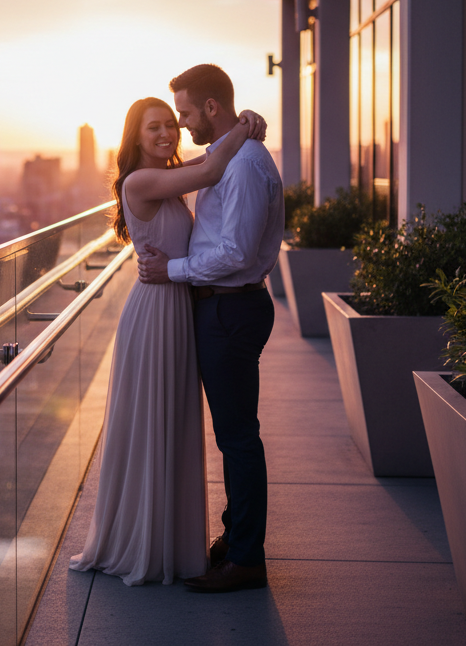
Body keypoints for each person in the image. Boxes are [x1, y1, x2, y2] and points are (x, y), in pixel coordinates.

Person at [70, 95, 266, 586]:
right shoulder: (141, 181)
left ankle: (170, 538)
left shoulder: (170, 176)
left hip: (178, 305)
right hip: (155, 311)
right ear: (135, 137)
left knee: (173, 423)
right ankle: (142, 540)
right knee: (153, 421)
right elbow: (210, 169)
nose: (166, 133)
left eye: (170, 125)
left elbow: (205, 162)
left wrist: (242, 125)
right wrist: (244, 126)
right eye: (154, 127)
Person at [136, 64, 284, 593]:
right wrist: (246, 124)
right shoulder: (233, 154)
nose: (181, 124)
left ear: (211, 107)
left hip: (230, 310)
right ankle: (235, 538)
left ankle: (245, 559)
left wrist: (171, 270)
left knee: (238, 438)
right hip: (224, 308)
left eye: (184, 113)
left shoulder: (242, 165)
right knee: (233, 434)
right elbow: (203, 168)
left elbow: (236, 253)